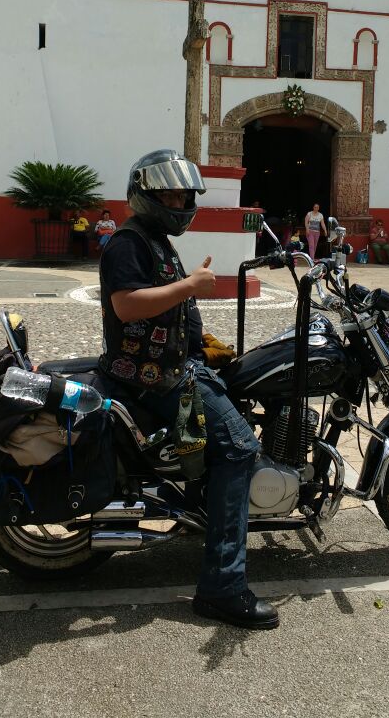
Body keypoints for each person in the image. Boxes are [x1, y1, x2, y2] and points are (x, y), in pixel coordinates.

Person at [98, 149, 278, 631]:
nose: (180, 204)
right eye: (171, 196)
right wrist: (192, 286)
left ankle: (203, 510)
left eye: (184, 196)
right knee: (240, 449)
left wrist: (198, 338)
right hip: (156, 378)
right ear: (146, 195)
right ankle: (223, 587)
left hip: (172, 367)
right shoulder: (127, 242)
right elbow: (127, 305)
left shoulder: (153, 239)